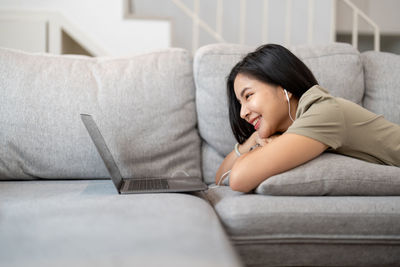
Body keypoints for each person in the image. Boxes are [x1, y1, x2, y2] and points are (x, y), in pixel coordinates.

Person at [216, 44, 400, 193]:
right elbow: (220, 178)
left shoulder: (325, 113)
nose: (242, 113)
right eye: (240, 103)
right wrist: (254, 140)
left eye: (248, 96)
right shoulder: (292, 126)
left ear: (284, 89)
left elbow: (239, 178)